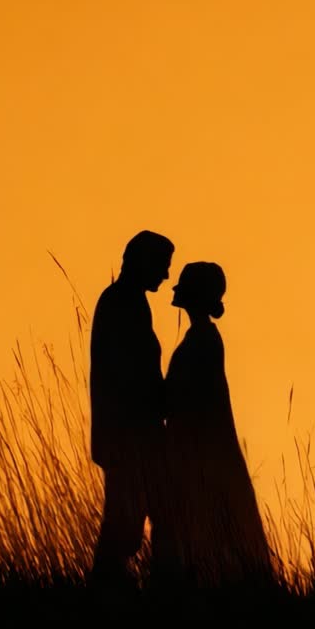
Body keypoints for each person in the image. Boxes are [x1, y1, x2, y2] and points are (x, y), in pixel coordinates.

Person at [161, 261, 273, 591]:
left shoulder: (202, 341)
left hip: (198, 457)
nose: (176, 288)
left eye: (184, 285)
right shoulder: (202, 338)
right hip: (199, 453)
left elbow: (183, 398)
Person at [88, 230, 175, 588]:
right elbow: (130, 376)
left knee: (141, 519)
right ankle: (109, 589)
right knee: (127, 525)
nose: (166, 275)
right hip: (130, 439)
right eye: (162, 266)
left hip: (133, 437)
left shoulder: (127, 300)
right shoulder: (123, 303)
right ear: (143, 262)